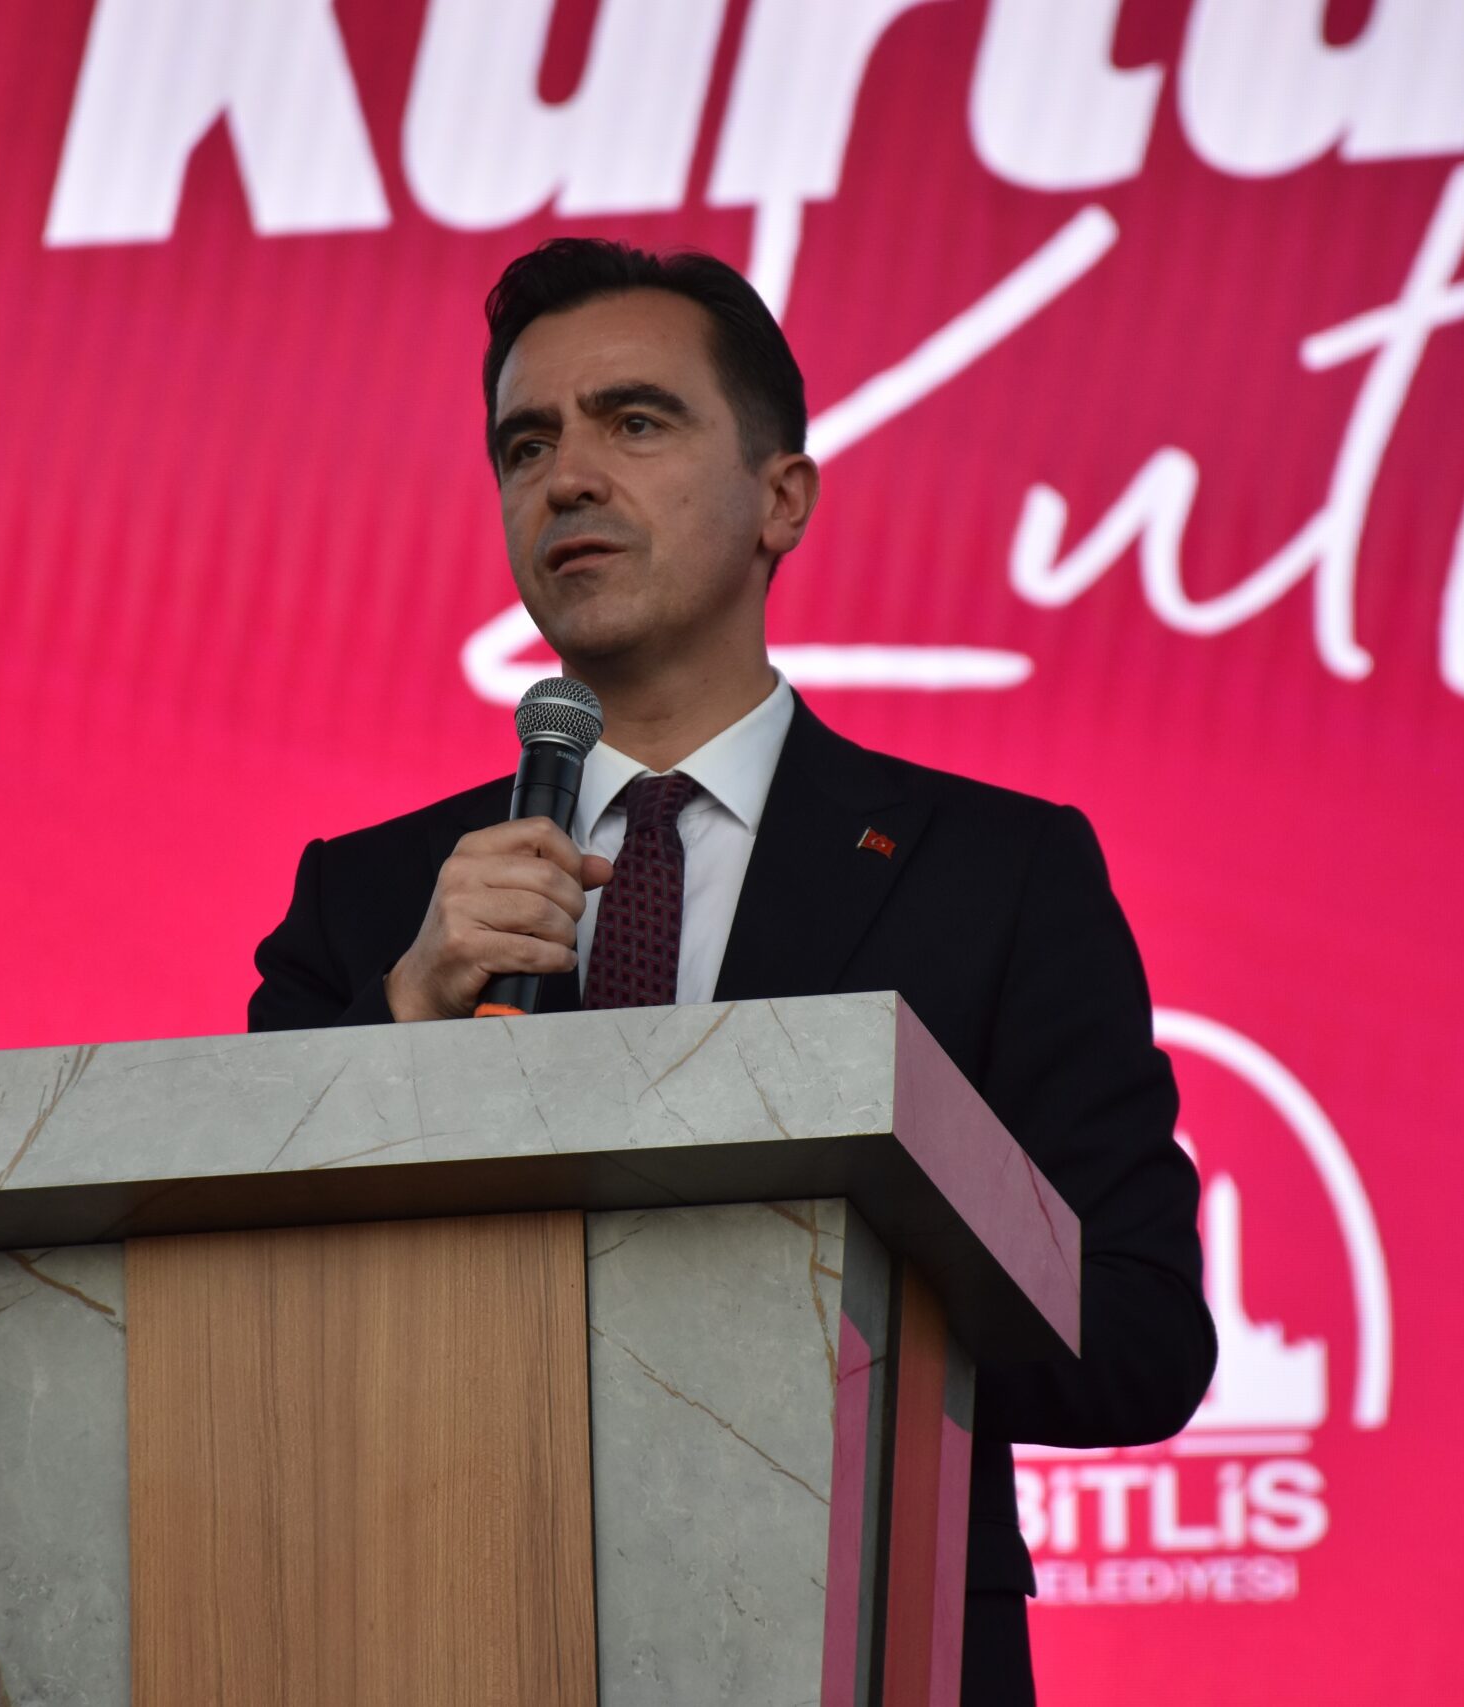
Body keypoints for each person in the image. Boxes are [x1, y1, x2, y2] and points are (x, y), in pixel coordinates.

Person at [248, 238, 1215, 1703]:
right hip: (446, 1628)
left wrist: (765, 1311)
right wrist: (400, 1021)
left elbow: (1137, 1335)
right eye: (526, 444)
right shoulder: (379, 904)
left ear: (783, 499)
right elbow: (237, 1330)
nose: (568, 477)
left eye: (635, 422)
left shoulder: (996, 874)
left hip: (857, 1637)